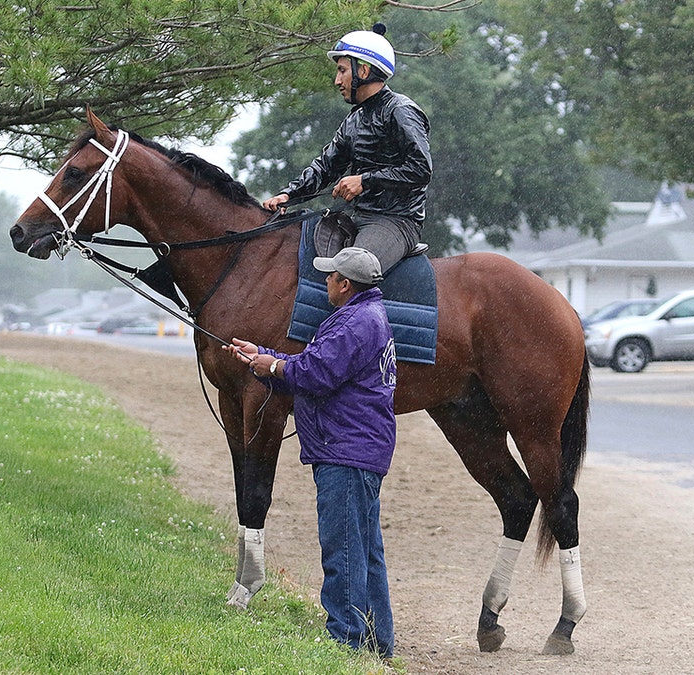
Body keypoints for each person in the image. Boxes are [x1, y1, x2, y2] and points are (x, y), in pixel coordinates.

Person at [224, 246, 398, 657]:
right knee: (366, 553)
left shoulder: (353, 323)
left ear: (345, 284)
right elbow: (312, 365)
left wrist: (272, 367)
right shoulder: (361, 318)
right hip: (357, 452)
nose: (325, 281)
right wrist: (261, 360)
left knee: (343, 552)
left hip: (345, 454)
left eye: (331, 276)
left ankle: (347, 644)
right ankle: (377, 643)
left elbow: (315, 374)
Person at [262, 23, 432, 275]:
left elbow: (421, 169)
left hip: (397, 222)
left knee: (350, 272)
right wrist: (289, 195)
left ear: (363, 70)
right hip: (357, 216)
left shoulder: (400, 110)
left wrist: (364, 181)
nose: (337, 80)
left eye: (342, 70)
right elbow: (325, 167)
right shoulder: (353, 120)